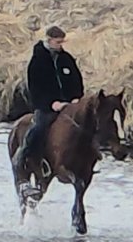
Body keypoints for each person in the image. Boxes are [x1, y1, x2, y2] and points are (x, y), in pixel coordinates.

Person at [13, 26, 86, 176]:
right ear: (49, 40)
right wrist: (52, 104)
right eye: (58, 42)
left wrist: (76, 98)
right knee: (39, 128)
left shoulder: (67, 59)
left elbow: (76, 81)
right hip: (46, 107)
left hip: (69, 105)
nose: (60, 45)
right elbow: (35, 88)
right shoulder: (37, 61)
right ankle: (24, 157)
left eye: (62, 42)